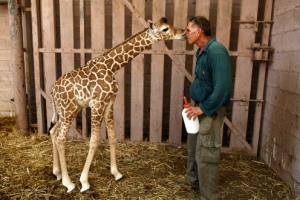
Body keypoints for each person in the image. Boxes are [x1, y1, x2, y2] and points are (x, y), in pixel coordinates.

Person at [176, 16, 232, 200]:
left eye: (188, 30)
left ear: (199, 31)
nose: (186, 34)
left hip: (211, 109)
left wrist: (203, 108)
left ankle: (209, 196)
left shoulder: (216, 51)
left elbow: (222, 88)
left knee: (206, 151)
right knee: (193, 146)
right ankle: (193, 180)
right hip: (201, 106)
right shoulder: (202, 51)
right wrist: (197, 105)